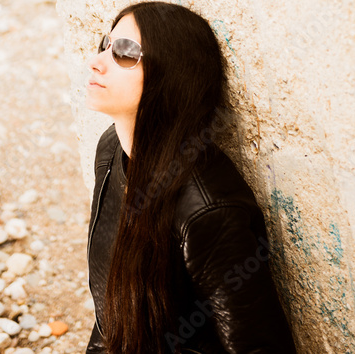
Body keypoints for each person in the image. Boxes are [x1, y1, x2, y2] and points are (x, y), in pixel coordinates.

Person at [84, 2, 296, 353]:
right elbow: (111, 313)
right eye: (104, 44)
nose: (97, 61)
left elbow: (258, 346)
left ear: (170, 75)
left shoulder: (208, 210)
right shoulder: (110, 151)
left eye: (124, 52)